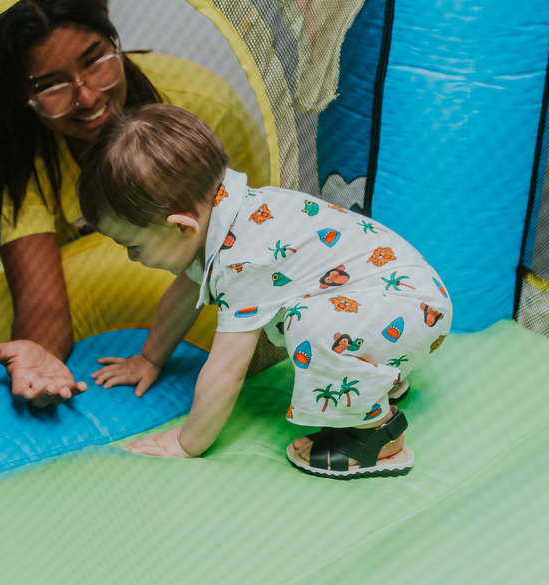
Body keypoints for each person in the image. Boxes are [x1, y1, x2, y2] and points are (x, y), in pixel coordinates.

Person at [0, 0, 269, 404]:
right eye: (51, 85)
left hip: (214, 282)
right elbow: (41, 300)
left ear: (114, 39)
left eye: (96, 61)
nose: (88, 96)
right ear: (22, 96)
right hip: (102, 289)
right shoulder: (23, 155)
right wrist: (38, 355)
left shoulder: (203, 103)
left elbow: (261, 227)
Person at [81, 104, 452, 479]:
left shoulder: (243, 258)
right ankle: (372, 376)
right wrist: (150, 359)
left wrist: (185, 442)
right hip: (398, 298)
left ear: (182, 227)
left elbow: (227, 371)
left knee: (308, 325)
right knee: (321, 318)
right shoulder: (225, 210)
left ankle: (377, 435)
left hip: (409, 309)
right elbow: (184, 294)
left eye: (132, 245)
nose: (130, 258)